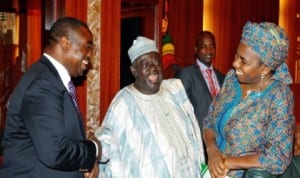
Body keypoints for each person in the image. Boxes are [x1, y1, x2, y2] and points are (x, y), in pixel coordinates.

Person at [0, 17, 101, 178]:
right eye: (87, 47)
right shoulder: (43, 84)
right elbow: (54, 151)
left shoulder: (52, 81)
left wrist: (85, 166)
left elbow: (59, 148)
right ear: (65, 43)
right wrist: (94, 148)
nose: (89, 56)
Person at [95, 36, 205, 178]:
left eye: (156, 63)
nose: (153, 68)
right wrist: (92, 149)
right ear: (134, 70)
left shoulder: (174, 89)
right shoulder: (124, 103)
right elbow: (107, 140)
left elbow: (193, 133)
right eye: (145, 64)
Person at [203, 21, 295, 178]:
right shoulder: (232, 79)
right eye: (236, 55)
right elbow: (210, 120)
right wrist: (212, 151)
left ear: (264, 69)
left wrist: (227, 162)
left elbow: (279, 157)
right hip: (209, 169)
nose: (234, 63)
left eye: (243, 61)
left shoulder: (279, 97)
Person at [176, 31, 225, 130]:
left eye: (212, 46)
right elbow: (179, 109)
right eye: (204, 47)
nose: (209, 51)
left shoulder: (222, 77)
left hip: (220, 136)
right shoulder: (186, 74)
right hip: (198, 135)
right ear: (196, 49)